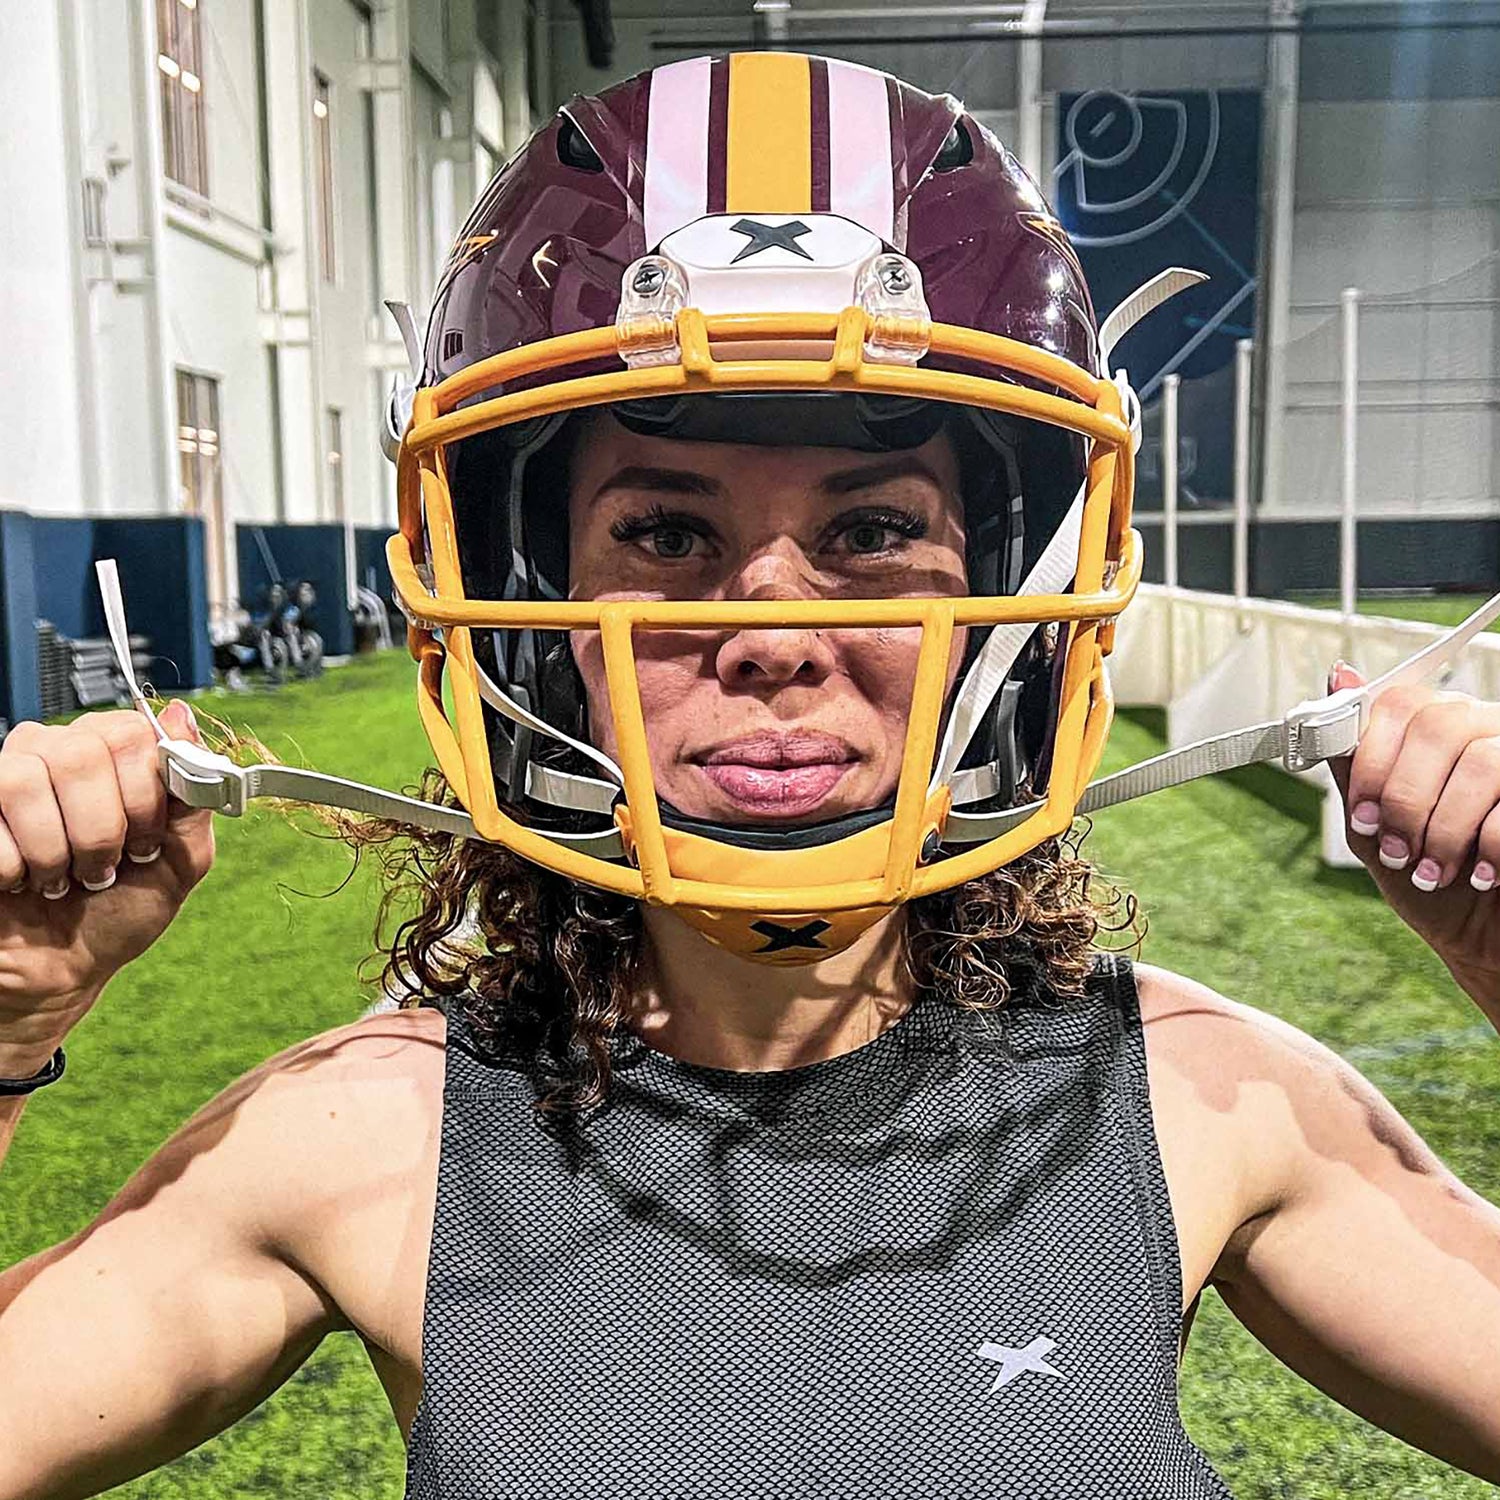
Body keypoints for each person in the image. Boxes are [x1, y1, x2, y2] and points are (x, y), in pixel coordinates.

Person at [2, 53, 1500, 1500]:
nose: (776, 634)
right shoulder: (364, 1131)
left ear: (1016, 594)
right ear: (527, 608)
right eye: (663, 535)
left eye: (868, 534)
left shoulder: (1206, 1099)